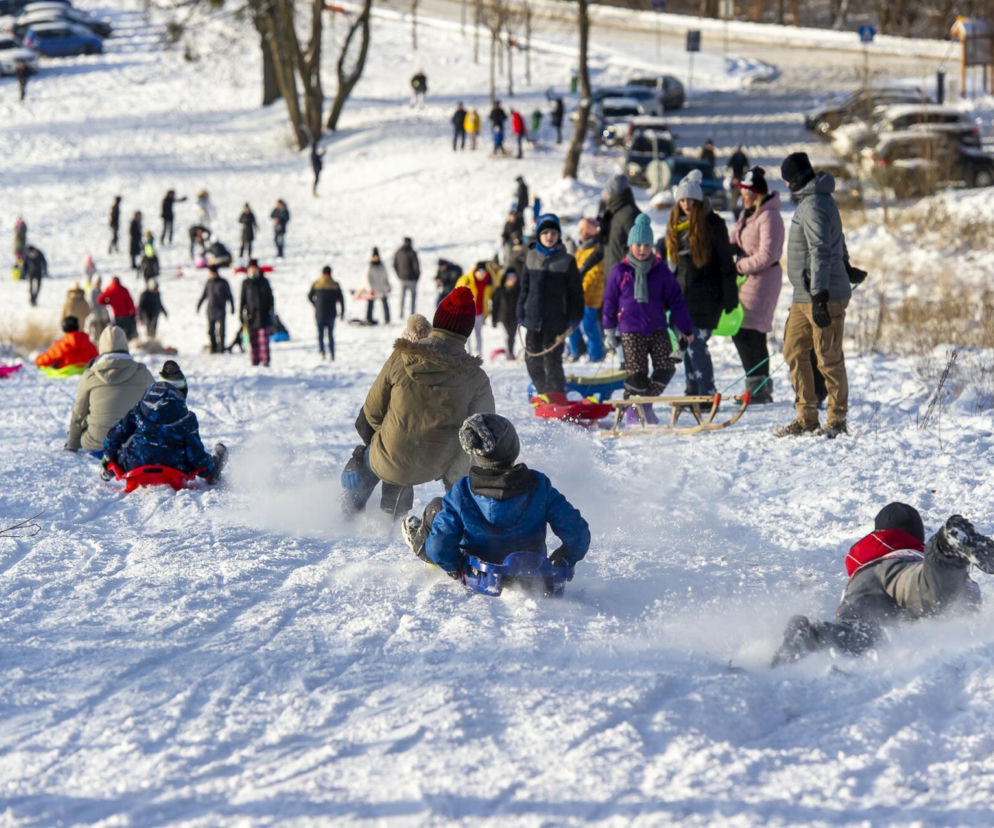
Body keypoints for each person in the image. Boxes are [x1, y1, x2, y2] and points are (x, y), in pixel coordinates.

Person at [772, 503, 994, 666]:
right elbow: (947, 600)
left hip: (861, 586)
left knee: (862, 636)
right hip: (898, 573)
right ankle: (946, 547)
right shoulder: (908, 555)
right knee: (929, 595)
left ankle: (811, 636)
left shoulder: (861, 569)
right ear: (916, 534)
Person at [340, 286, 495, 519]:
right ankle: (395, 513)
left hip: (388, 457)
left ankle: (348, 514)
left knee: (373, 456)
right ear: (467, 330)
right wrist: (453, 476)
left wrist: (395, 435)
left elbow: (371, 412)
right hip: (436, 465)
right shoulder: (477, 378)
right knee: (403, 459)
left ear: (438, 320)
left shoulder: (403, 357)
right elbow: (481, 435)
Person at [401, 413, 590, 579]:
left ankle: (421, 545)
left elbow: (438, 547)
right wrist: (565, 557)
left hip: (482, 572)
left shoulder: (462, 492)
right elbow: (578, 534)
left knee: (436, 507)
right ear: (514, 449)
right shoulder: (539, 485)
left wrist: (454, 566)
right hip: (529, 570)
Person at [776, 151, 851, 438]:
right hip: (803, 295)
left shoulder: (815, 204)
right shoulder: (813, 200)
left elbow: (820, 249)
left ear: (794, 180)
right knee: (793, 349)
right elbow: (837, 238)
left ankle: (837, 419)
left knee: (827, 357)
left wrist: (820, 294)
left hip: (822, 296)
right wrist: (846, 263)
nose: (785, 186)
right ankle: (806, 416)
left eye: (786, 180)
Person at [603, 214, 694, 424]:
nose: (642, 249)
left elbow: (676, 302)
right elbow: (609, 302)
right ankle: (632, 413)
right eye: (638, 244)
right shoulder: (620, 271)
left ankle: (644, 404)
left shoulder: (661, 272)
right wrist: (609, 330)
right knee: (637, 375)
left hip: (657, 328)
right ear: (630, 245)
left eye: (646, 244)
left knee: (667, 366)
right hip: (630, 330)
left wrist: (685, 329)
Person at [663, 170, 738, 397]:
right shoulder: (675, 227)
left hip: (706, 297)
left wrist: (730, 296)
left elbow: (726, 263)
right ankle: (692, 391)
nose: (687, 204)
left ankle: (706, 393)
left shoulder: (713, 225)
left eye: (691, 200)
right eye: (682, 200)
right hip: (682, 298)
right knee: (684, 346)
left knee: (695, 344)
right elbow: (672, 268)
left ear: (699, 200)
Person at [102, 361, 225, 484]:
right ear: (182, 392)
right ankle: (212, 473)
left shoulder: (140, 409)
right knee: (196, 459)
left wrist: (110, 454)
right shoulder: (187, 419)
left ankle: (109, 468)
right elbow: (196, 456)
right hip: (175, 467)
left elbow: (115, 435)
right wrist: (208, 467)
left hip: (135, 464)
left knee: (120, 453)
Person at [728, 166, 783, 405]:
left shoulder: (769, 216)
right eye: (742, 191)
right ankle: (757, 384)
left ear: (758, 193)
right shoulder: (747, 213)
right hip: (745, 279)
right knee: (742, 330)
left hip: (763, 279)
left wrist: (739, 265)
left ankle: (759, 388)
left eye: (747, 192)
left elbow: (768, 254)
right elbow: (736, 239)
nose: (743, 196)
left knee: (751, 331)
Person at [517, 213, 584, 400]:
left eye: (553, 232)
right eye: (545, 232)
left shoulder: (567, 261)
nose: (549, 236)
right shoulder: (531, 258)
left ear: (558, 235)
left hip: (556, 321)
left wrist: (575, 317)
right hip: (533, 318)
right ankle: (543, 392)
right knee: (532, 358)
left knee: (552, 360)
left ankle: (556, 395)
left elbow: (575, 293)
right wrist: (520, 311)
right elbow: (524, 288)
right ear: (539, 235)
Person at [65, 326, 154, 456]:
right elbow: (157, 406)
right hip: (133, 445)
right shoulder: (143, 373)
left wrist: (72, 444)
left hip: (98, 444)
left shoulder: (90, 375)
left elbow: (78, 414)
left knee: (87, 419)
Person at [567, 217, 606, 364]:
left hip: (590, 295)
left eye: (584, 230)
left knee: (589, 325)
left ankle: (596, 354)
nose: (580, 233)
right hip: (577, 293)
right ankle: (577, 350)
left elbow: (595, 273)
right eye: (580, 230)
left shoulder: (597, 249)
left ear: (590, 232)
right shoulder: (581, 248)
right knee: (571, 323)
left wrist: (581, 288)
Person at [599, 174, 641, 283]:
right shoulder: (612, 213)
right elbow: (605, 246)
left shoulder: (630, 214)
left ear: (613, 194)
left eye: (607, 192)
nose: (604, 195)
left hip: (625, 281)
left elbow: (639, 249)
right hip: (612, 279)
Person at [455, 260, 497, 358]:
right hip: (466, 314)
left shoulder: (488, 282)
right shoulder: (466, 280)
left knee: (478, 335)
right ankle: (467, 355)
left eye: (484, 272)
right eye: (480, 272)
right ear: (476, 271)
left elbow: (494, 288)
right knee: (466, 336)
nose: (482, 275)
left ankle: (479, 355)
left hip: (479, 313)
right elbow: (456, 294)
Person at [239, 259, 275, 366]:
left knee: (264, 341)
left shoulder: (264, 282)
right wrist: (241, 315)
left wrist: (271, 313)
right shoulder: (246, 283)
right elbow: (242, 300)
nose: (253, 271)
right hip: (251, 317)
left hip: (264, 316)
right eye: (251, 269)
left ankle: (265, 361)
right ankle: (255, 361)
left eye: (255, 269)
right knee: (253, 341)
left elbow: (271, 299)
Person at [308, 265, 345, 360]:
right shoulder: (335, 285)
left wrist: (315, 304)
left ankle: (322, 351)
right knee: (330, 335)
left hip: (319, 313)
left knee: (320, 334)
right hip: (331, 314)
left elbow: (309, 296)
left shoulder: (316, 284)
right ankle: (332, 353)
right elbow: (341, 299)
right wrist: (342, 312)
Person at [490, 269, 520, 359]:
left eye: (513, 277)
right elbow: (495, 306)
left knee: (512, 337)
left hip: (514, 318)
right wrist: (494, 320)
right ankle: (503, 354)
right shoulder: (499, 291)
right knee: (504, 337)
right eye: (509, 277)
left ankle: (510, 354)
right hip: (502, 318)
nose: (511, 279)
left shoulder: (519, 290)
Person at [97, 276, 139, 340]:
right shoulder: (124, 289)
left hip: (117, 316)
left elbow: (100, 300)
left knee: (118, 334)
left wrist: (109, 302)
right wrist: (134, 312)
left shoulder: (110, 289)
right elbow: (130, 302)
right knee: (128, 334)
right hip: (126, 315)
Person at [393, 237, 421, 317]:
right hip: (412, 279)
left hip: (402, 279)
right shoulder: (412, 252)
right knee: (413, 297)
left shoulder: (398, 252)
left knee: (402, 297)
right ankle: (412, 314)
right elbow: (416, 266)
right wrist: (417, 277)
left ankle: (401, 314)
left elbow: (394, 265)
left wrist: (399, 275)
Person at [362, 247, 391, 325]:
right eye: (374, 256)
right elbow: (367, 279)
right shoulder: (369, 266)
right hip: (373, 290)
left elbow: (386, 277)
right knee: (370, 305)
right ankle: (369, 319)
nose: (376, 258)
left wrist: (388, 286)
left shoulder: (382, 265)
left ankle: (387, 320)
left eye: (377, 256)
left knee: (385, 305)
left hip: (382, 289)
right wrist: (370, 289)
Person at [727, 145, 750, 219]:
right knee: (734, 198)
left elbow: (746, 165)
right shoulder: (735, 156)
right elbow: (729, 164)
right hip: (735, 176)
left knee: (742, 196)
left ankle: (741, 212)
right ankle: (737, 213)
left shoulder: (743, 156)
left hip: (741, 176)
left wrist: (745, 172)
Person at [86, 275, 110, 343]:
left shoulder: (101, 291)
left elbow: (104, 305)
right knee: (96, 336)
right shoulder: (91, 292)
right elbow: (91, 305)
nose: (99, 283)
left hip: (103, 317)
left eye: (100, 282)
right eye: (97, 282)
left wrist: (107, 316)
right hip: (96, 318)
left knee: (103, 335)